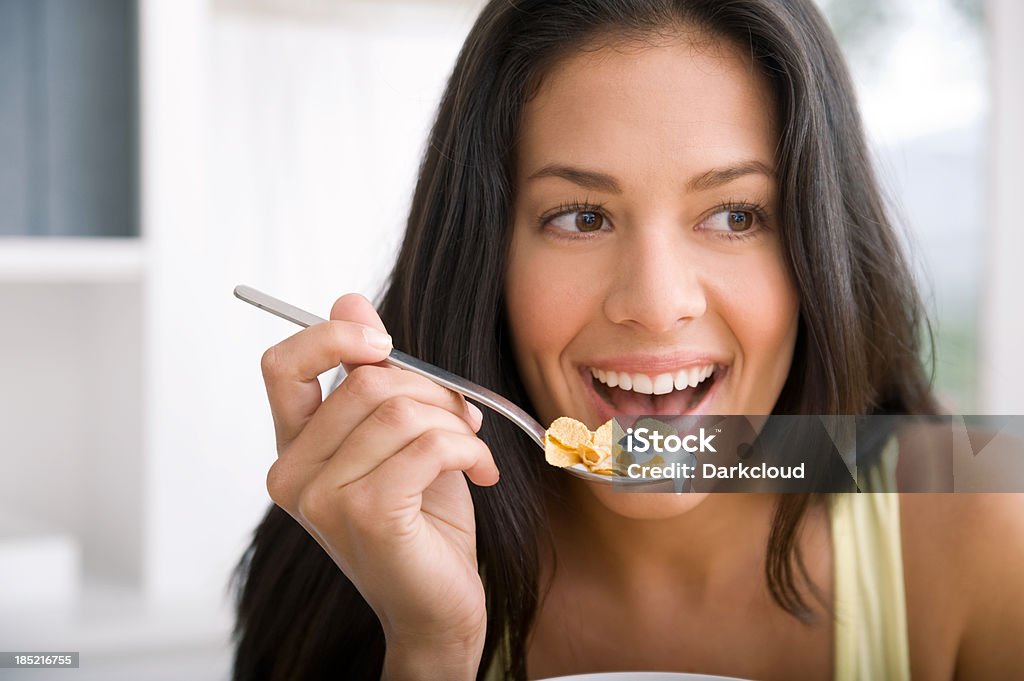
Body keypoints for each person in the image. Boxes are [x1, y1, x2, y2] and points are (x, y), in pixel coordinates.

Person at [230, 1, 1024, 679]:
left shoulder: (983, 523)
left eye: (735, 215)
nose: (654, 304)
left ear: (821, 244)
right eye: (581, 217)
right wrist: (431, 648)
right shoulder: (353, 556)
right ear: (486, 256)